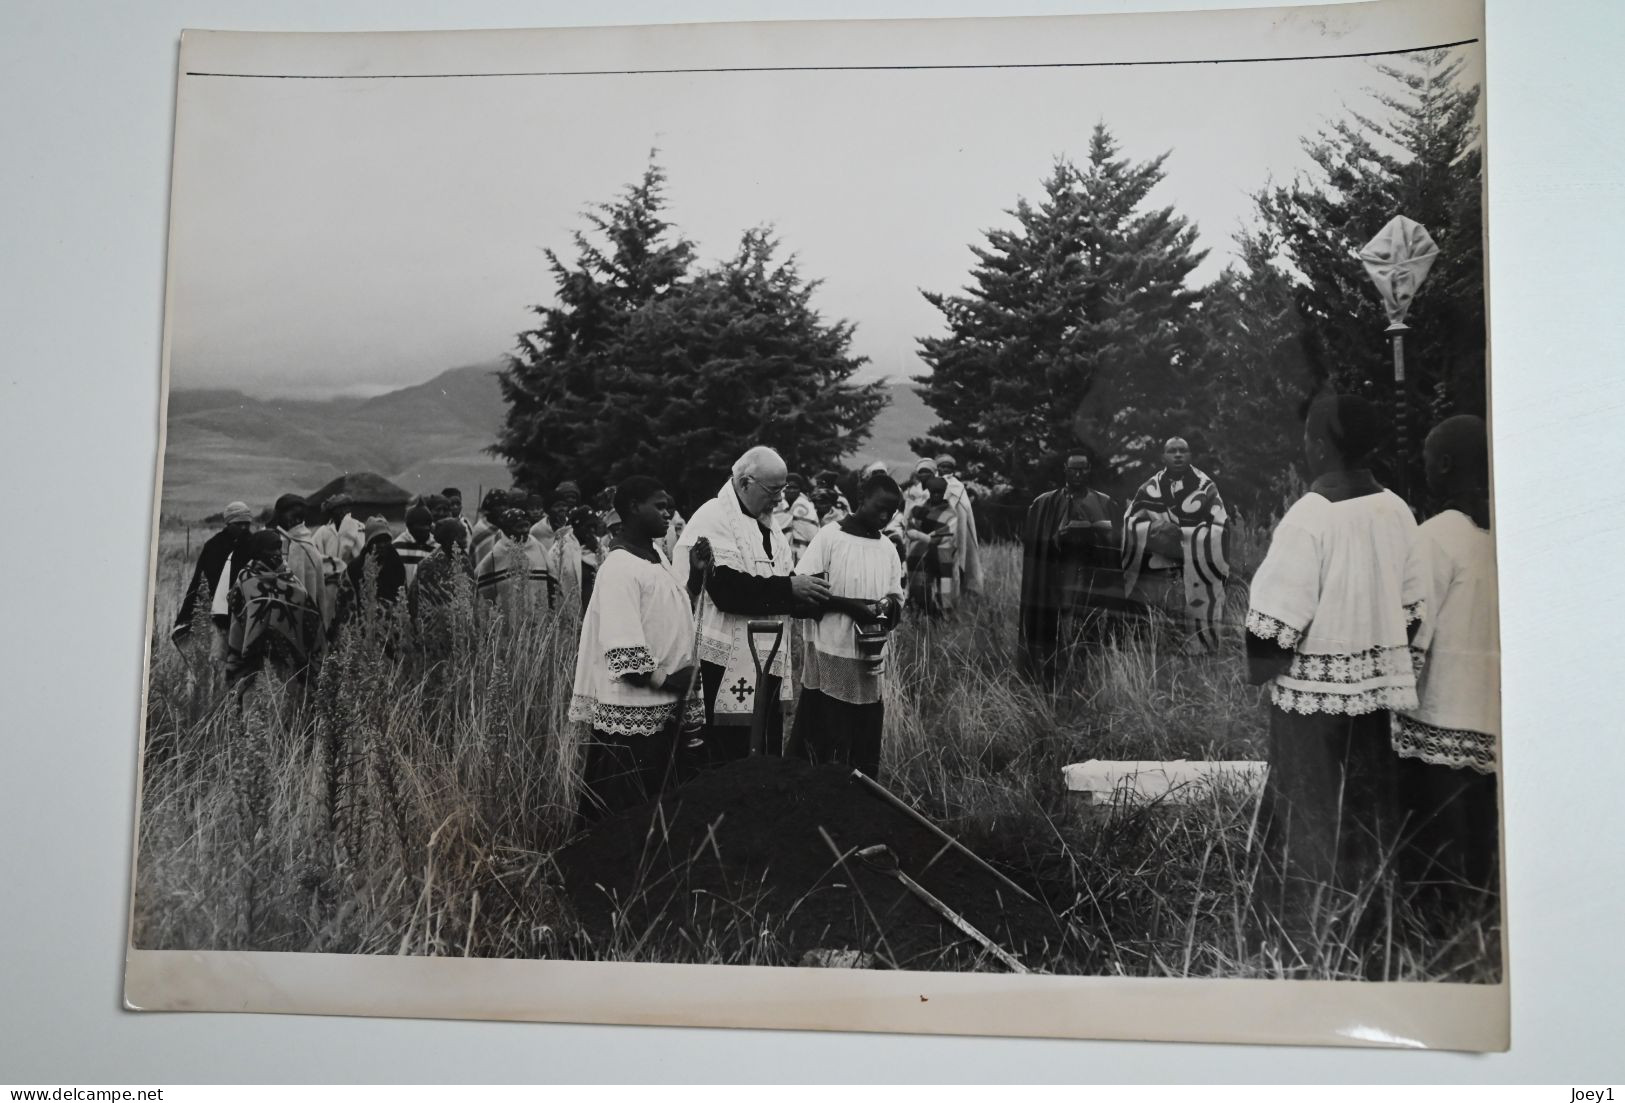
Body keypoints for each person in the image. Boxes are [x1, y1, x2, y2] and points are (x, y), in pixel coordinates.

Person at [1245, 395, 1425, 936]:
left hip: (1311, 711)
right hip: (1375, 704)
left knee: (1306, 820)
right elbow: (1414, 610)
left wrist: (1272, 669)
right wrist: (1374, 657)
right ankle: (1371, 928)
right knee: (1366, 816)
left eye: (1306, 435)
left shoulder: (1308, 518)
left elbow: (1269, 631)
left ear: (1319, 444)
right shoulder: (1396, 509)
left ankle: (1300, 935)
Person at [1392, 415, 1500, 899]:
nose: (1426, 470)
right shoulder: (1502, 529)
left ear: (1447, 465)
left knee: (1437, 849)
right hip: (1492, 719)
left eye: (1428, 462)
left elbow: (1413, 626)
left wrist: (1395, 695)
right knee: (1485, 840)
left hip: (1438, 716)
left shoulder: (1435, 535)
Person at [673, 446, 831, 762]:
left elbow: (781, 585)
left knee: (762, 750)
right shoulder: (714, 517)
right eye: (773, 490)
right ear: (746, 483)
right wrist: (790, 589)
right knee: (729, 754)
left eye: (782, 490)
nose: (779, 500)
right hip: (723, 662)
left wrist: (812, 597)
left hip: (765, 656)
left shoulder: (769, 526)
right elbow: (727, 590)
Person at [569, 476, 710, 822]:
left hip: (661, 709)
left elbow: (665, 617)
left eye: (670, 506)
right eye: (660, 506)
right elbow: (624, 653)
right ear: (633, 508)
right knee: (624, 817)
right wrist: (670, 681)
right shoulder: (619, 567)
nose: (669, 513)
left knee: (655, 815)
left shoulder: (655, 555)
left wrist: (693, 578)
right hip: (632, 713)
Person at [790, 473, 906, 778]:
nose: (884, 516)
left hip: (869, 661)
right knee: (825, 746)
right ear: (861, 499)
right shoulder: (830, 538)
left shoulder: (887, 549)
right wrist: (848, 606)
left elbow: (897, 601)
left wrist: (883, 608)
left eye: (891, 512)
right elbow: (801, 598)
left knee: (862, 749)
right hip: (830, 656)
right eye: (879, 508)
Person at [1019, 452, 1121, 687]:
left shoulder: (1105, 503)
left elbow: (1116, 546)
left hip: (1092, 577)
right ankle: (1057, 679)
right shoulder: (1046, 503)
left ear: (1089, 470)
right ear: (1065, 469)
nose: (1078, 474)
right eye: (1073, 469)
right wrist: (1059, 536)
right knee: (1060, 630)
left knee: (1091, 630)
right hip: (1058, 579)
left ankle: (1089, 679)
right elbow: (1035, 544)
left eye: (1083, 469)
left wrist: (1099, 535)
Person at [1120, 437, 1233, 651]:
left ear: (1190, 455)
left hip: (1196, 573)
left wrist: (1186, 537)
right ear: (1163, 457)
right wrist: (1155, 531)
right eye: (1172, 451)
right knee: (1161, 633)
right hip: (1158, 574)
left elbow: (1221, 527)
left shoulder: (1205, 486)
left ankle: (1200, 662)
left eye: (1183, 450)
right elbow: (1130, 522)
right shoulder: (1149, 488)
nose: (1178, 455)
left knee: (1196, 635)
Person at [223, 529, 324, 688]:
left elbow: (309, 614)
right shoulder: (245, 579)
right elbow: (237, 612)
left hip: (288, 664)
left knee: (287, 699)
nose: (277, 553)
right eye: (271, 548)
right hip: (254, 663)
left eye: (279, 547)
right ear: (258, 551)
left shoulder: (290, 579)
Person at [172, 501, 254, 653]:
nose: (244, 527)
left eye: (247, 523)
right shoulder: (214, 546)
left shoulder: (255, 545)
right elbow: (199, 581)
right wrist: (185, 616)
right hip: (217, 617)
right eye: (239, 523)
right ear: (228, 523)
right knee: (219, 658)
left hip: (247, 616)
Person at [475, 506, 556, 610]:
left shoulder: (538, 547)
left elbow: (552, 579)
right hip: (508, 615)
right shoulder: (497, 554)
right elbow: (481, 582)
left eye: (526, 525)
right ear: (507, 529)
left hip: (539, 612)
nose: (525, 530)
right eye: (519, 527)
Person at [934, 454, 984, 603]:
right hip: (939, 529)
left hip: (959, 531)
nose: (945, 469)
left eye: (948, 467)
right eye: (942, 466)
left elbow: (965, 511)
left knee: (957, 563)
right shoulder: (933, 484)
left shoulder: (958, 486)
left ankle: (954, 601)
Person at [903, 475, 956, 616]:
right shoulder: (917, 510)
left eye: (939, 492)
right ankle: (919, 618)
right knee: (919, 589)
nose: (936, 495)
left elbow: (946, 534)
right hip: (918, 555)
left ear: (944, 492)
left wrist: (920, 535)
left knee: (941, 590)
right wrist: (921, 535)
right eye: (934, 492)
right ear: (930, 492)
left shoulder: (950, 514)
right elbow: (910, 528)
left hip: (941, 557)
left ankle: (941, 620)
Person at [339, 516, 408, 625]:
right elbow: (347, 604)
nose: (382, 545)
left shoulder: (396, 565)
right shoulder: (355, 568)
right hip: (363, 627)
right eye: (377, 541)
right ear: (368, 543)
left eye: (385, 540)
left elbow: (403, 598)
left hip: (391, 628)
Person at [313, 493, 365, 611]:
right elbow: (314, 554)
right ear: (332, 512)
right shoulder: (323, 532)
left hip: (351, 581)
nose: (343, 512)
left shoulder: (359, 527)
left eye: (346, 509)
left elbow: (361, 553)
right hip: (328, 584)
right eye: (339, 509)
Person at [392, 505, 436, 586]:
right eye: (421, 525)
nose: (426, 528)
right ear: (409, 526)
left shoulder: (436, 547)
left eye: (428, 524)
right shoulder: (397, 547)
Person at [782, 473, 821, 562]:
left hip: (803, 550)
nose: (791, 491)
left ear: (800, 489)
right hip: (781, 551)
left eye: (795, 488)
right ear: (784, 488)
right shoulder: (776, 506)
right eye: (789, 487)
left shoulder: (808, 507)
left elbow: (812, 533)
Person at [469, 489, 508, 566]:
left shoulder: (506, 528)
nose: (503, 509)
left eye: (505, 505)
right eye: (499, 505)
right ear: (489, 509)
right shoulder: (480, 530)